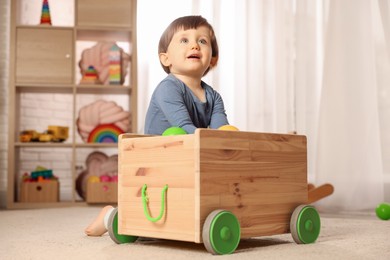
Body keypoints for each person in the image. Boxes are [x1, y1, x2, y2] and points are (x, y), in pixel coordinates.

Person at [85, 15, 229, 237]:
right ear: (165, 58)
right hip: (156, 162)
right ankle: (109, 216)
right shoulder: (168, 88)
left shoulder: (214, 97)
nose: (194, 45)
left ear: (213, 59)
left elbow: (221, 133)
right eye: (184, 40)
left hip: (190, 160)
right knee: (146, 219)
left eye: (202, 41)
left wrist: (230, 142)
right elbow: (185, 128)